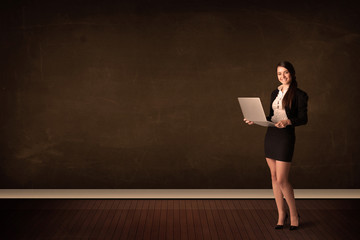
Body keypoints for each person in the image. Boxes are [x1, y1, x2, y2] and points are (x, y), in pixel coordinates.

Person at [244, 61, 308, 230]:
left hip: (285, 136)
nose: (282, 76)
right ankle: (281, 214)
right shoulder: (274, 93)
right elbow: (272, 116)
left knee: (282, 179)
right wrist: (255, 119)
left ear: (292, 74)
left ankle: (294, 214)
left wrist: (288, 121)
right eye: (279, 73)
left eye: (285, 73)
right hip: (271, 134)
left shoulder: (300, 95)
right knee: (273, 177)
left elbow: (303, 119)